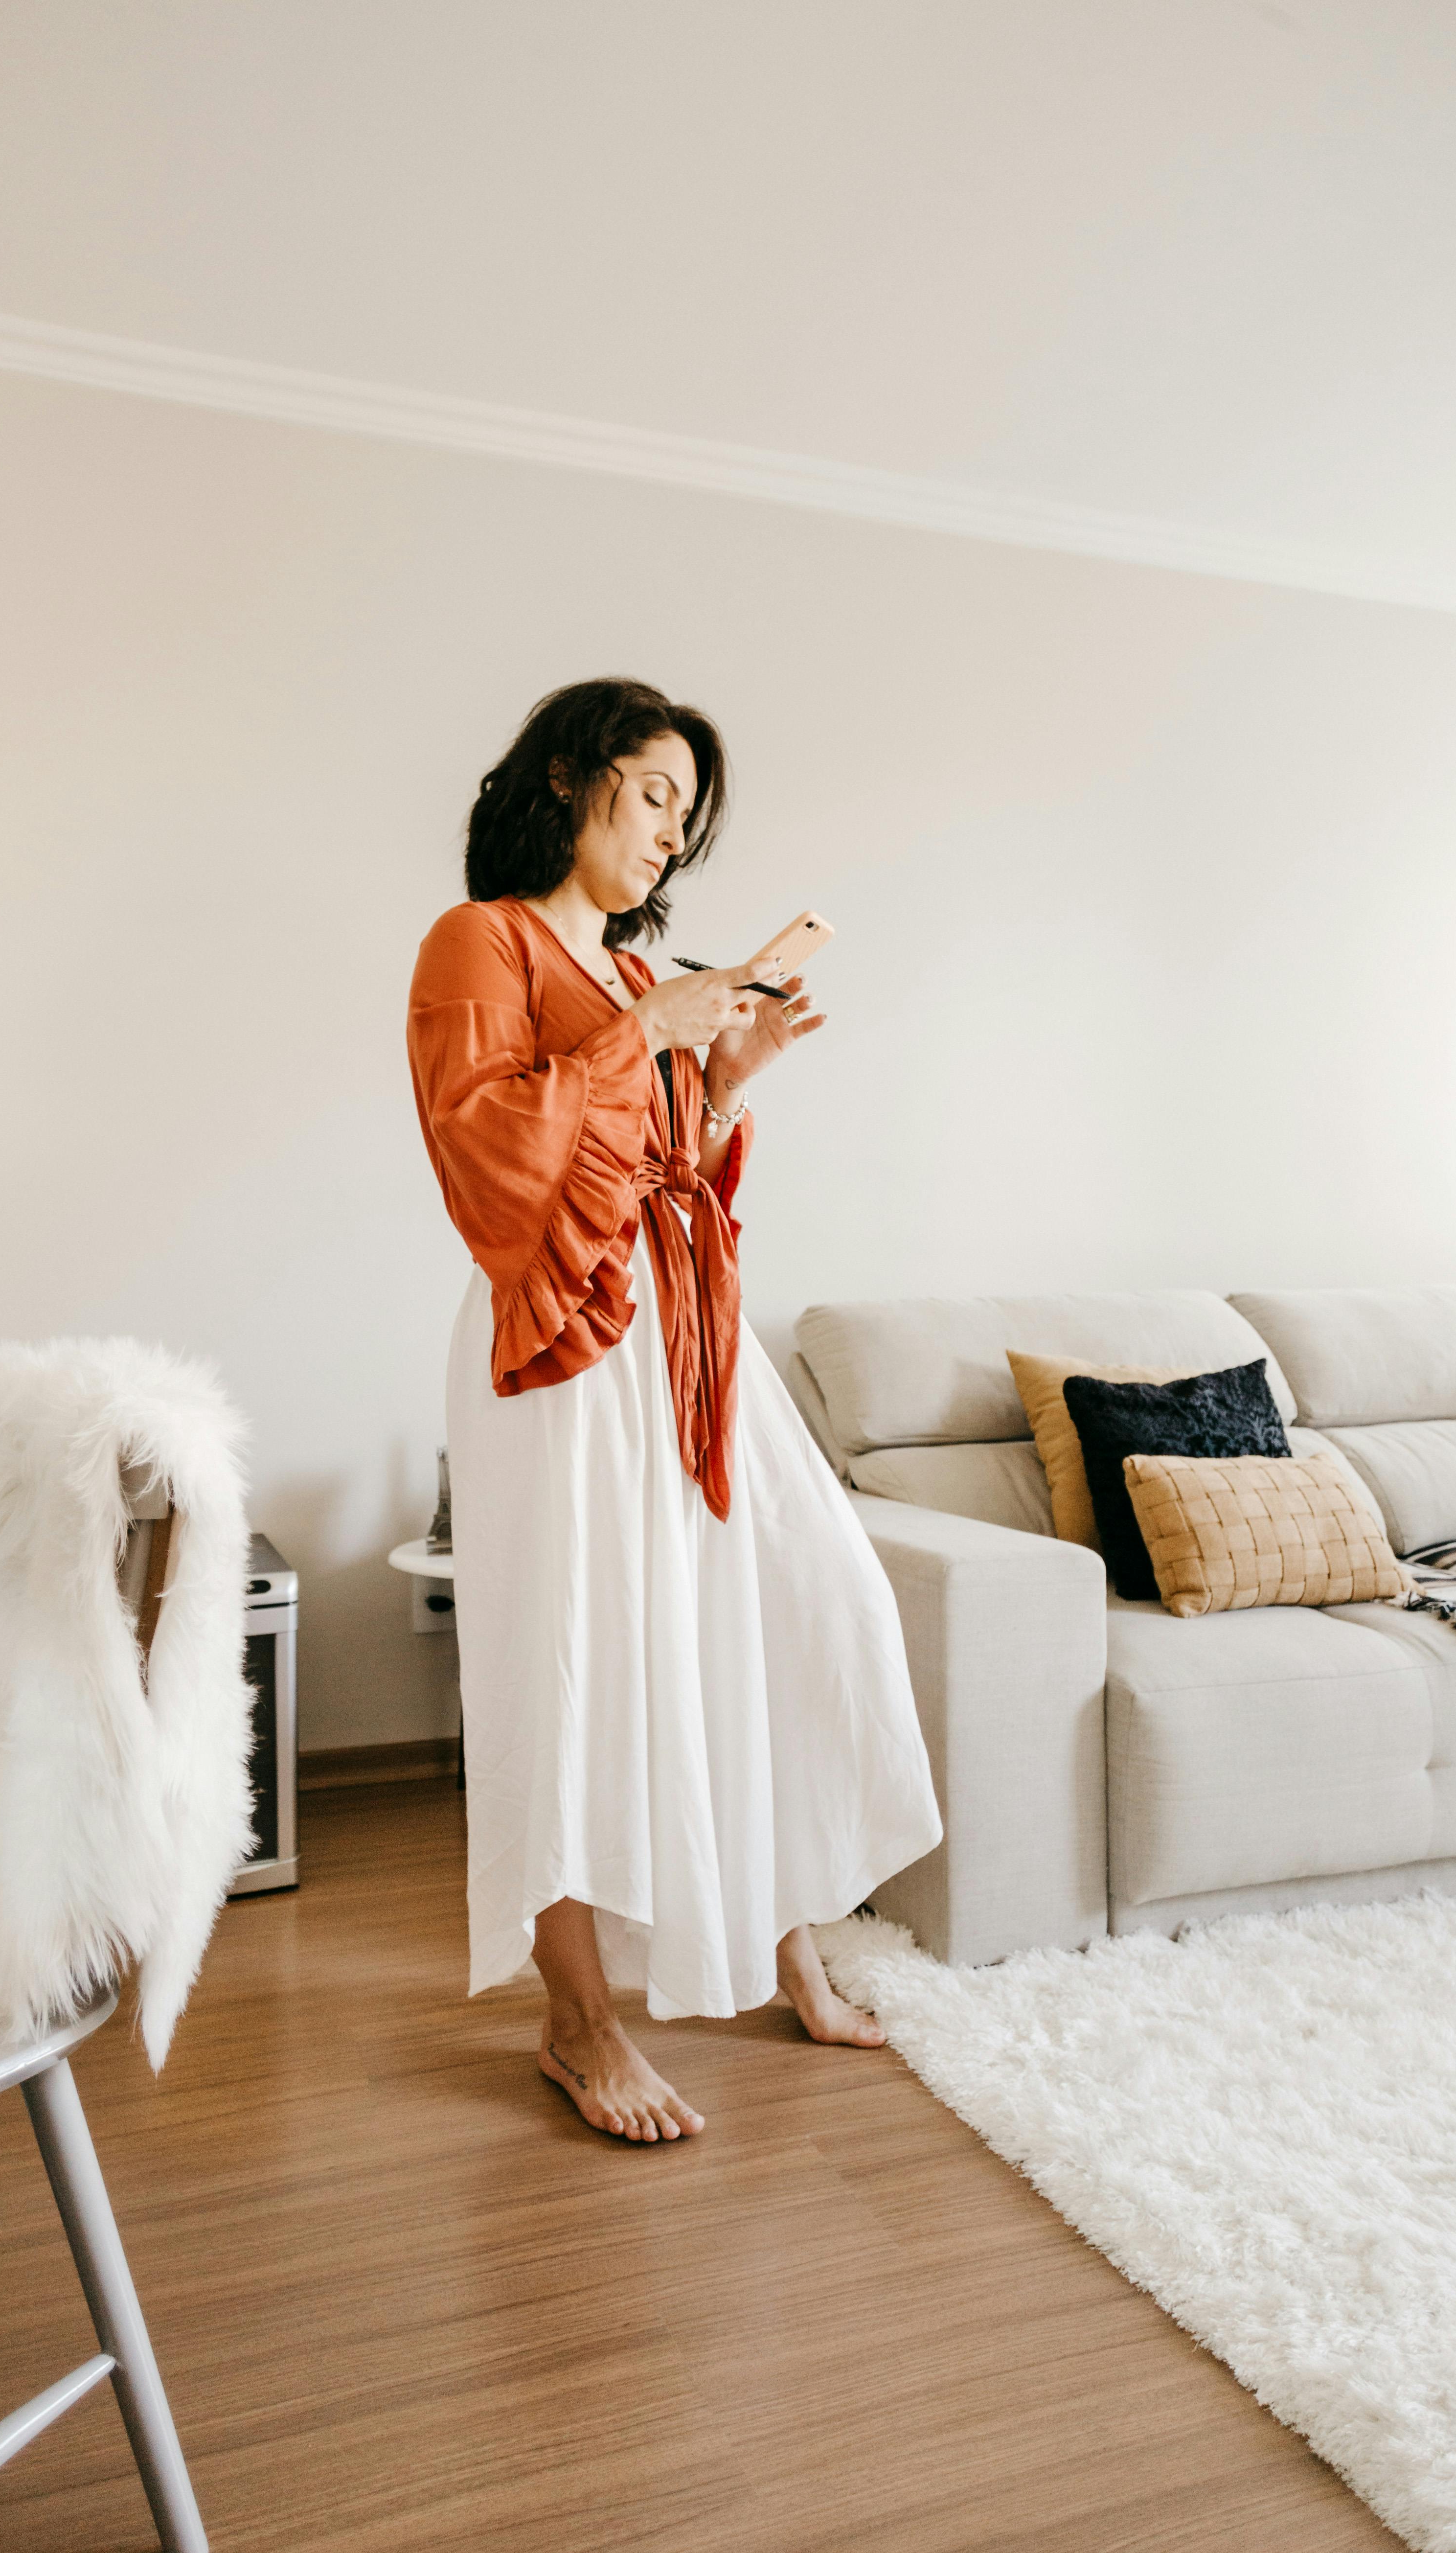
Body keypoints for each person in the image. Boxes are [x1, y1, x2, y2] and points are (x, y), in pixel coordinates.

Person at [407, 677, 940, 2143]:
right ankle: (578, 2025)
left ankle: (778, 1945)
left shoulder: (642, 977)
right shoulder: (482, 943)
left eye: (684, 816)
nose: (667, 835)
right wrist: (644, 1035)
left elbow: (665, 1177)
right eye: (650, 795)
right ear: (569, 781)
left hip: (688, 1334)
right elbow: (489, 1165)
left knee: (789, 1606)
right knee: (572, 1662)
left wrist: (723, 1079)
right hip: (562, 1344)